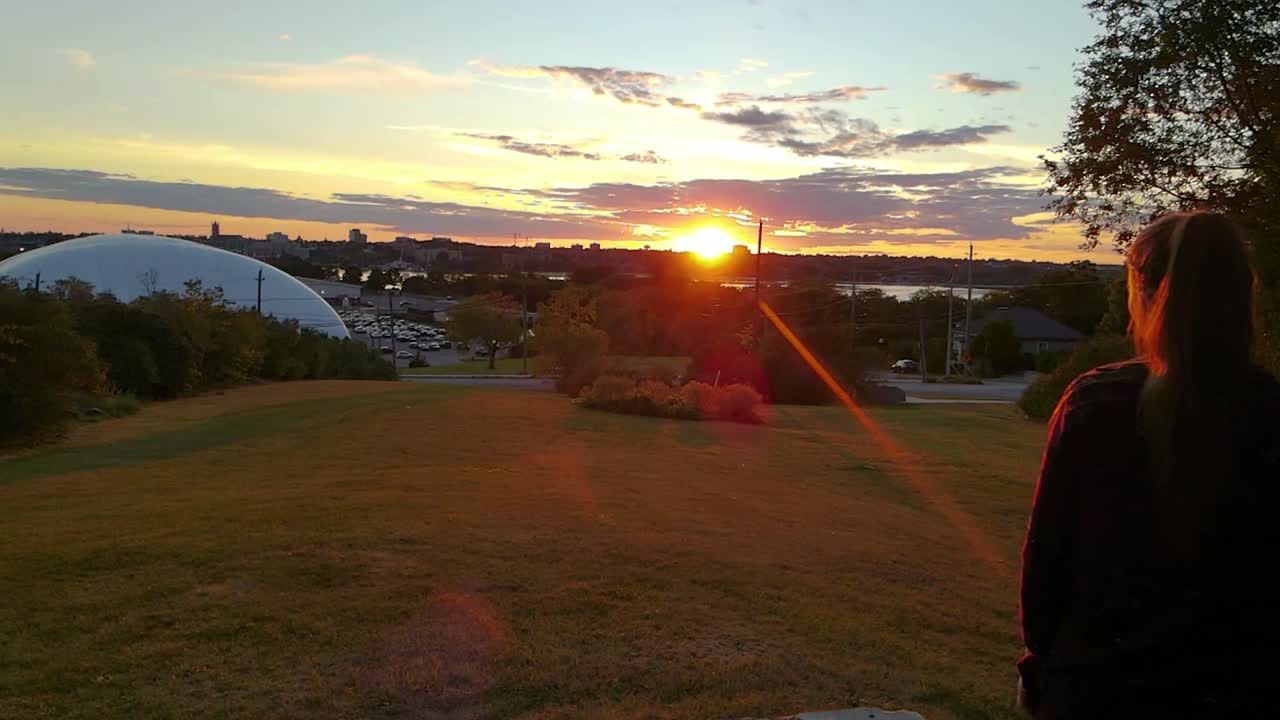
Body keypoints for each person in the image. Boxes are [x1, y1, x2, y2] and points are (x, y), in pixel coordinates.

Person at [1017, 211, 1280, 718]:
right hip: (1239, 688)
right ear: (1242, 294)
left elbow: (1047, 560)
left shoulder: (1095, 403)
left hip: (1097, 689)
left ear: (1146, 290)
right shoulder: (1268, 412)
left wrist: (1040, 668)